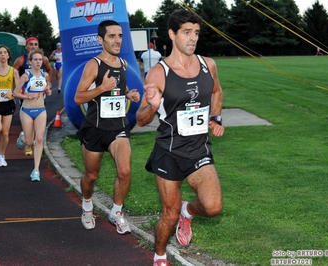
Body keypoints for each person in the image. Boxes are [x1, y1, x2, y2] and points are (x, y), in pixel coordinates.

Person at [135, 9, 225, 266]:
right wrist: (152, 105)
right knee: (169, 214)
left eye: (196, 33)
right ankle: (160, 255)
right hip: (169, 151)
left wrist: (215, 118)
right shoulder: (158, 73)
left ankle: (189, 210)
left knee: (213, 206)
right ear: (172, 34)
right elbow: (141, 120)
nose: (193, 38)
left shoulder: (208, 64)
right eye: (187, 32)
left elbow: (217, 92)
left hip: (198, 149)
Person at [74, 20, 140, 234]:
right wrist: (101, 88)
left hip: (118, 127)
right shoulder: (93, 65)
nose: (117, 40)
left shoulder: (123, 64)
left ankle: (117, 212)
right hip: (95, 128)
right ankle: (86, 205)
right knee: (91, 176)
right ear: (100, 40)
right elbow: (78, 97)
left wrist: (128, 93)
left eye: (120, 35)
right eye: (112, 36)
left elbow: (120, 87)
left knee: (125, 170)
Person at [13, 48, 52, 181]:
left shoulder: (45, 75)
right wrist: (28, 96)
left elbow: (46, 87)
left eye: (40, 59)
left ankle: (36, 170)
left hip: (41, 110)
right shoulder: (25, 76)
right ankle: (22, 138)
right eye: (35, 59)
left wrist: (48, 90)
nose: (38, 62)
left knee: (39, 139)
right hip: (27, 111)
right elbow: (15, 93)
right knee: (29, 142)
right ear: (30, 62)